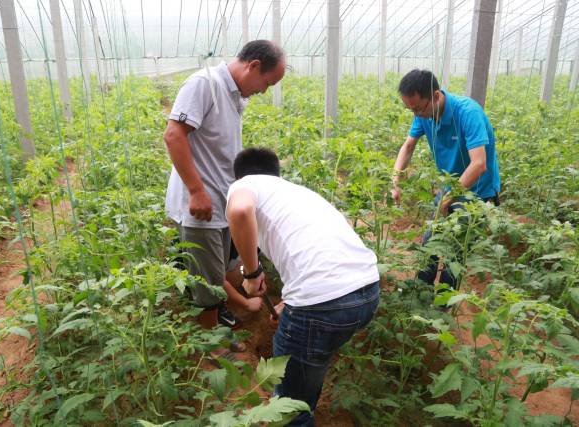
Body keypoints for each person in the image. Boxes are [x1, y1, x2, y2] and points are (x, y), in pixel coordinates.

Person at [226, 148, 380, 426]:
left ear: (239, 176)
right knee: (307, 374)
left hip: (323, 307)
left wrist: (252, 272)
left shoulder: (244, 185)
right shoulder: (299, 193)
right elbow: (322, 255)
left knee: (288, 407)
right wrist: (292, 303)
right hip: (367, 292)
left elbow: (238, 210)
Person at [163, 41, 286, 329]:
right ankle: (211, 346)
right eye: (266, 83)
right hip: (202, 205)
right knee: (206, 283)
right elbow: (174, 135)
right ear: (253, 66)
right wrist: (196, 191)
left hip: (221, 201)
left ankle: (221, 315)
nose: (264, 91)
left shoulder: (235, 95)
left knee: (218, 269)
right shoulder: (204, 84)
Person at [391, 69, 500, 289]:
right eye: (409, 109)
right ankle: (420, 293)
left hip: (478, 190)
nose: (416, 114)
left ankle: (444, 306)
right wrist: (394, 181)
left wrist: (448, 199)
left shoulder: (468, 112)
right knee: (431, 241)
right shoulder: (423, 114)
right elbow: (408, 146)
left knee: (454, 250)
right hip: (450, 187)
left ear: (436, 95)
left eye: (418, 108)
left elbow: (479, 164)